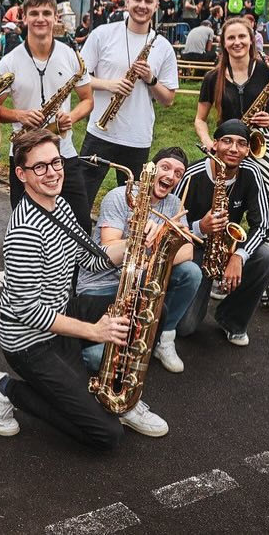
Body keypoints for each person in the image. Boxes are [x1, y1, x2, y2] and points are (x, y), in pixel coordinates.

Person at [0, 128, 170, 447]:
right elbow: (29, 312)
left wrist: (135, 239)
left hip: (62, 317)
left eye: (56, 162)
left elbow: (92, 259)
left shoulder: (62, 208)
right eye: (39, 167)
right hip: (31, 343)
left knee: (147, 307)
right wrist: (94, 332)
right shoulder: (23, 234)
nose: (52, 173)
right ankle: (5, 390)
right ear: (21, 174)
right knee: (106, 435)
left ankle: (121, 396)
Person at [195, 17, 269, 319]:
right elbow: (201, 119)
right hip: (225, 148)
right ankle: (219, 271)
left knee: (267, 218)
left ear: (252, 39)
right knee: (222, 212)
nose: (237, 43)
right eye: (230, 38)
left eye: (242, 37)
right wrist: (208, 143)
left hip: (259, 145)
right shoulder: (214, 77)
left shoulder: (268, 72)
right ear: (223, 42)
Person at [77, 147, 203, 372]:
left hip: (137, 282)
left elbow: (187, 252)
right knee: (99, 357)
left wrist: (152, 256)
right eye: (165, 168)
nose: (171, 176)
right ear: (151, 169)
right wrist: (138, 239)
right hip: (102, 286)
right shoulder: (119, 196)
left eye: (178, 173)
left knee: (191, 273)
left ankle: (164, 337)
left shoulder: (174, 203)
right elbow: (108, 245)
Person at [78, 0, 178, 217]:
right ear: (127, 1)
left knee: (132, 208)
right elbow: (78, 78)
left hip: (137, 138)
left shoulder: (162, 46)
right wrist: (109, 85)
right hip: (100, 133)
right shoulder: (103, 34)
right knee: (80, 198)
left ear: (156, 6)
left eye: (148, 1)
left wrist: (151, 79)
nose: (142, 5)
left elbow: (169, 99)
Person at [0, 0, 93, 227]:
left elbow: (88, 100)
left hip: (63, 153)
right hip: (24, 157)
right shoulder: (10, 61)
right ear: (24, 18)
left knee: (81, 224)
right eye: (34, 13)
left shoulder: (70, 56)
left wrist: (71, 117)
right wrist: (19, 115)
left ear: (55, 18)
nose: (41, 19)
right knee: (26, 226)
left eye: (47, 13)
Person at [173, 121, 269, 345]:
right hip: (194, 250)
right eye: (227, 141)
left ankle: (232, 320)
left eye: (241, 144)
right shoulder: (192, 174)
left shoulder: (251, 172)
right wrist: (201, 226)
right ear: (215, 144)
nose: (233, 149)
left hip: (228, 248)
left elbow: (263, 225)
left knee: (266, 256)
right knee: (185, 327)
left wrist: (239, 256)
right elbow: (170, 226)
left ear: (248, 150)